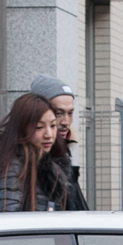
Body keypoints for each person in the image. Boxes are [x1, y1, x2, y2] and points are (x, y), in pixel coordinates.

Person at [0, 94, 64, 211]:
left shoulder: (51, 165)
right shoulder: (14, 167)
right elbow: (9, 220)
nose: (49, 135)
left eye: (53, 125)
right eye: (39, 127)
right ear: (22, 129)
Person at [27, 74, 89, 211]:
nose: (66, 122)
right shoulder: (28, 159)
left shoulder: (62, 153)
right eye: (58, 113)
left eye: (70, 113)